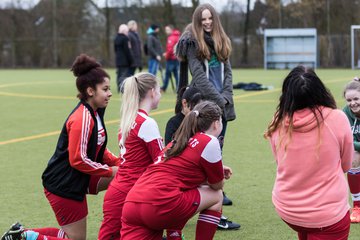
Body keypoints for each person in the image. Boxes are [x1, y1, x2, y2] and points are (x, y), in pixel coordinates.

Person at [1, 54, 120, 240]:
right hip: (64, 183)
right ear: (90, 91)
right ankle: (24, 237)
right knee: (75, 239)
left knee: (126, 175)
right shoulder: (82, 118)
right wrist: (109, 171)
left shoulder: (96, 112)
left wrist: (120, 163)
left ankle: (124, 228)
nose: (110, 93)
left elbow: (98, 148)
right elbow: (78, 159)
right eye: (105, 89)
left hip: (78, 176)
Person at [120, 101, 233, 240]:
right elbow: (217, 185)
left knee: (181, 191)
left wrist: (215, 170)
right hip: (158, 205)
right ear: (216, 123)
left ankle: (175, 236)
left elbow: (178, 171)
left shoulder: (177, 141)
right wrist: (216, 174)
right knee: (217, 196)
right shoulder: (209, 140)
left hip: (132, 203)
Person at [264, 66, 353, 240]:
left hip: (287, 208)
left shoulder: (278, 119)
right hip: (328, 215)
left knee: (305, 228)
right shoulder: (337, 118)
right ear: (320, 90)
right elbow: (346, 165)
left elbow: (279, 160)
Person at [175, 3, 236, 218]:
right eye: (203, 20)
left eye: (210, 18)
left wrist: (227, 97)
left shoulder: (222, 40)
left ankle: (216, 188)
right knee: (203, 148)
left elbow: (228, 72)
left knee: (218, 146)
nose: (208, 22)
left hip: (224, 102)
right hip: (205, 103)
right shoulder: (193, 44)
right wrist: (219, 100)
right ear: (198, 22)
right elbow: (199, 77)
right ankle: (202, 190)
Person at [98, 72, 163, 240]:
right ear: (151, 92)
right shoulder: (146, 123)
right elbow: (162, 163)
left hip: (120, 191)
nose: (161, 94)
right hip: (131, 193)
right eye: (159, 89)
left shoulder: (129, 120)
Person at [343, 77, 360, 223]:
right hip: (356, 150)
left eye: (356, 98)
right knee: (353, 156)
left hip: (356, 146)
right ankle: (357, 206)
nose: (352, 103)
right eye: (349, 100)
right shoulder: (345, 113)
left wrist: (352, 144)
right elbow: (344, 139)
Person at [114, 24, 134, 92]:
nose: (127, 32)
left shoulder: (116, 38)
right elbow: (127, 50)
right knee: (124, 75)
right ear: (124, 31)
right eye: (127, 31)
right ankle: (122, 88)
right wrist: (131, 60)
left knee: (119, 74)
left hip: (118, 60)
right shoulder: (125, 38)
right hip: (125, 60)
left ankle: (119, 88)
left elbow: (115, 49)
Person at [161, 25, 181, 92]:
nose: (166, 31)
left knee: (167, 74)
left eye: (167, 30)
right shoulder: (177, 36)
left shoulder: (171, 38)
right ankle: (178, 88)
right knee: (176, 75)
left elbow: (170, 49)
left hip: (171, 59)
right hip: (176, 58)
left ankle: (164, 88)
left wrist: (166, 55)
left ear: (171, 30)